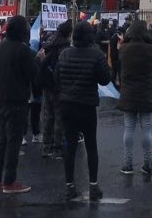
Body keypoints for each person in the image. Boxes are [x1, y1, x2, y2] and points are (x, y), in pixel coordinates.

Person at [56, 21, 113, 201]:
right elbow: (105, 80)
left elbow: (56, 77)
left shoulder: (64, 54)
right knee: (91, 145)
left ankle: (69, 186)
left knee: (70, 145)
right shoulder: (96, 54)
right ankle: (93, 186)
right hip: (87, 104)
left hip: (67, 104)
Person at [0, 15, 37, 194]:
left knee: (1, 140)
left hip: (2, 98)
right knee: (13, 142)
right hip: (17, 99)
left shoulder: (2, 46)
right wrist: (38, 59)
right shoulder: (22, 50)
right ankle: (9, 181)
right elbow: (34, 75)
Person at [117, 21, 152, 175]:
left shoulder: (124, 49)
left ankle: (127, 164)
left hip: (128, 94)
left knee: (129, 129)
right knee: (147, 130)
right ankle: (147, 164)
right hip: (146, 94)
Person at [37, 20, 72, 159]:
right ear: (68, 33)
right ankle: (57, 147)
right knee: (59, 117)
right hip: (59, 86)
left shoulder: (48, 43)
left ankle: (46, 146)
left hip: (46, 84)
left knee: (48, 115)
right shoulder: (65, 48)